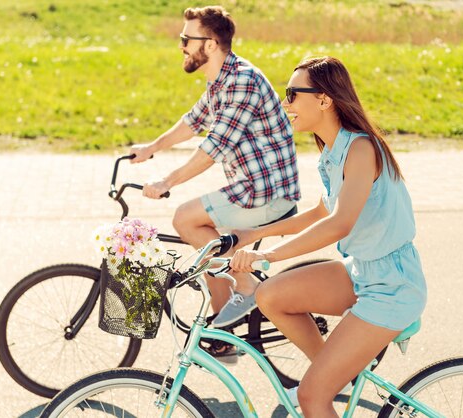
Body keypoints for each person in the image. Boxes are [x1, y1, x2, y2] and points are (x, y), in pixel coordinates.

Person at [229, 56, 427, 417]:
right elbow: (320, 212)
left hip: (393, 285)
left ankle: (328, 380)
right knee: (271, 294)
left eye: (292, 94)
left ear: (324, 100)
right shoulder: (332, 153)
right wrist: (253, 234)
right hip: (361, 272)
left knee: (311, 398)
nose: (285, 104)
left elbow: (339, 223)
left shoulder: (362, 148)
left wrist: (268, 255)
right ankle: (335, 370)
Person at [129, 6, 300, 331]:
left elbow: (212, 149)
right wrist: (151, 148)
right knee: (209, 252)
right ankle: (221, 338)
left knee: (185, 218)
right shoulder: (221, 81)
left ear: (209, 44)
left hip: (267, 195)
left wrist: (167, 181)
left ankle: (248, 287)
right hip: (249, 190)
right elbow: (193, 122)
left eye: (186, 39)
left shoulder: (242, 82)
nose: (181, 46)